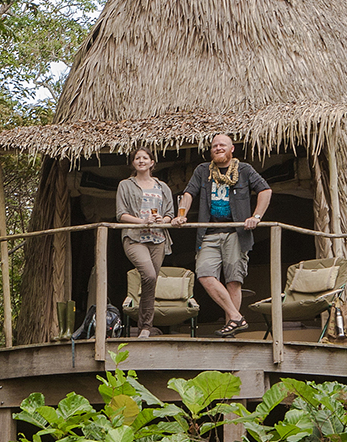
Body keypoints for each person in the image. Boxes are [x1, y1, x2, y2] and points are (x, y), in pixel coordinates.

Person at [173, 133, 272, 336]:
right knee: (204, 273)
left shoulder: (244, 169)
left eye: (222, 145)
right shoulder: (203, 170)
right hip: (209, 233)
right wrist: (181, 215)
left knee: (233, 280)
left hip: (236, 232)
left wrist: (257, 216)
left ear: (231, 148)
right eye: (215, 145)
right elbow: (189, 193)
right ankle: (237, 317)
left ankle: (231, 328)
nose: (218, 148)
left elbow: (265, 190)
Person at [114, 146, 175, 338]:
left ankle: (145, 328)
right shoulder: (125, 185)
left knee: (150, 282)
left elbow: (170, 215)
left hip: (158, 238)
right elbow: (121, 214)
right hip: (134, 237)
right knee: (148, 275)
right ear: (133, 163)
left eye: (145, 158)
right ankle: (144, 326)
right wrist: (142, 221)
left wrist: (162, 221)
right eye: (137, 158)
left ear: (152, 163)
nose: (141, 161)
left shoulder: (162, 187)